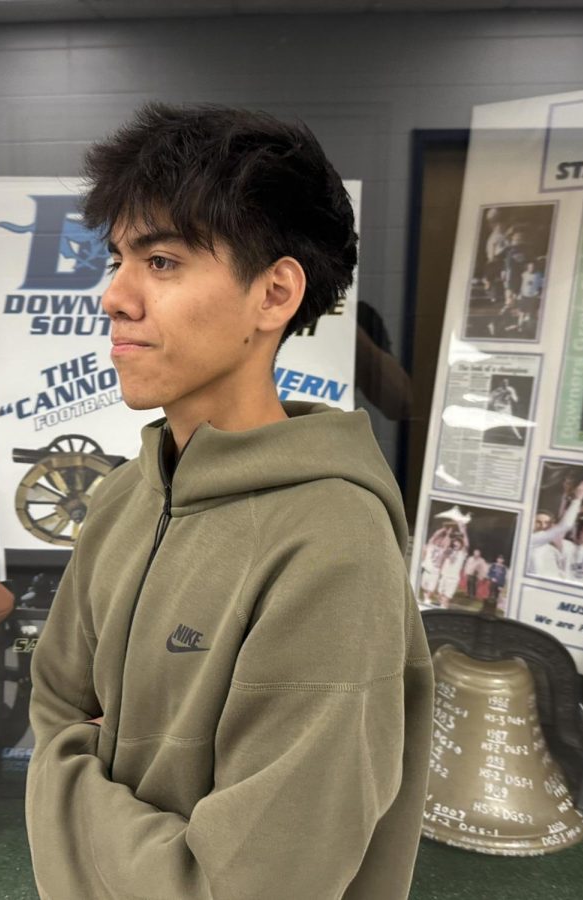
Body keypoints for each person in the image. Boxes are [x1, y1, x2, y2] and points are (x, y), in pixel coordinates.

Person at [25, 104, 433, 899]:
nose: (113, 296)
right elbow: (53, 706)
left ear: (274, 293)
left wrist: (63, 787)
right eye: (117, 259)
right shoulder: (120, 499)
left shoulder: (332, 547)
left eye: (164, 262)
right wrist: (74, 754)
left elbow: (241, 886)